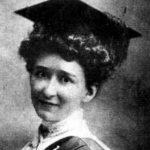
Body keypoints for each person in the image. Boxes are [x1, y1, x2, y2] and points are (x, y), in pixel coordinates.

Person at [15, 0, 141, 150]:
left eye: (65, 79)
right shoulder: (41, 142)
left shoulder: (82, 147)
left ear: (89, 92)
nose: (48, 91)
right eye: (41, 74)